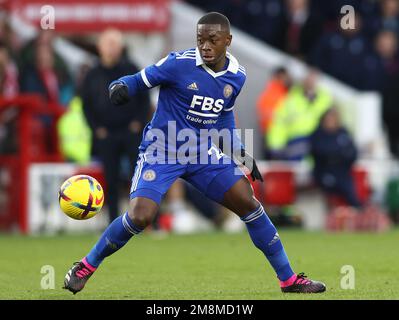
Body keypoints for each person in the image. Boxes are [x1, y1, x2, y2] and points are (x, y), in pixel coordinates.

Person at [63, 12, 326, 294]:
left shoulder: (237, 75)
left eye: (213, 40)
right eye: (201, 40)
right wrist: (120, 86)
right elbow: (139, 79)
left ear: (228, 40)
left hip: (201, 152)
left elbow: (224, 116)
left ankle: (288, 280)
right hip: (161, 149)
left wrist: (240, 154)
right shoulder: (179, 63)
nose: (206, 46)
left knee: (248, 203)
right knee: (140, 216)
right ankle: (86, 266)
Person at [81, 28, 151, 223]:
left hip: (131, 132)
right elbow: (86, 105)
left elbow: (145, 100)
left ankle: (147, 221)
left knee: (141, 179)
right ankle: (113, 222)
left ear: (121, 47)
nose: (111, 48)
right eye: (108, 43)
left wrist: (138, 123)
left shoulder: (131, 68)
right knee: (110, 181)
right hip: (106, 135)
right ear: (99, 47)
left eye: (115, 44)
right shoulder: (92, 74)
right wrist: (96, 129)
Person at [267, 69, 332, 160]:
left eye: (313, 79)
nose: (310, 82)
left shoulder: (326, 101)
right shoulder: (290, 100)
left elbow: (333, 125)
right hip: (295, 145)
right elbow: (279, 124)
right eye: (308, 79)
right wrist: (276, 145)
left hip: (319, 146)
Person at [310, 107, 362, 208]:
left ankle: (357, 210)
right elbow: (321, 152)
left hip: (343, 171)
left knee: (350, 187)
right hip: (324, 172)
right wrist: (339, 154)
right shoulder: (318, 134)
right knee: (334, 185)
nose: (331, 121)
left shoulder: (343, 132)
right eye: (329, 118)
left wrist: (339, 155)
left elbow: (353, 153)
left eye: (334, 118)